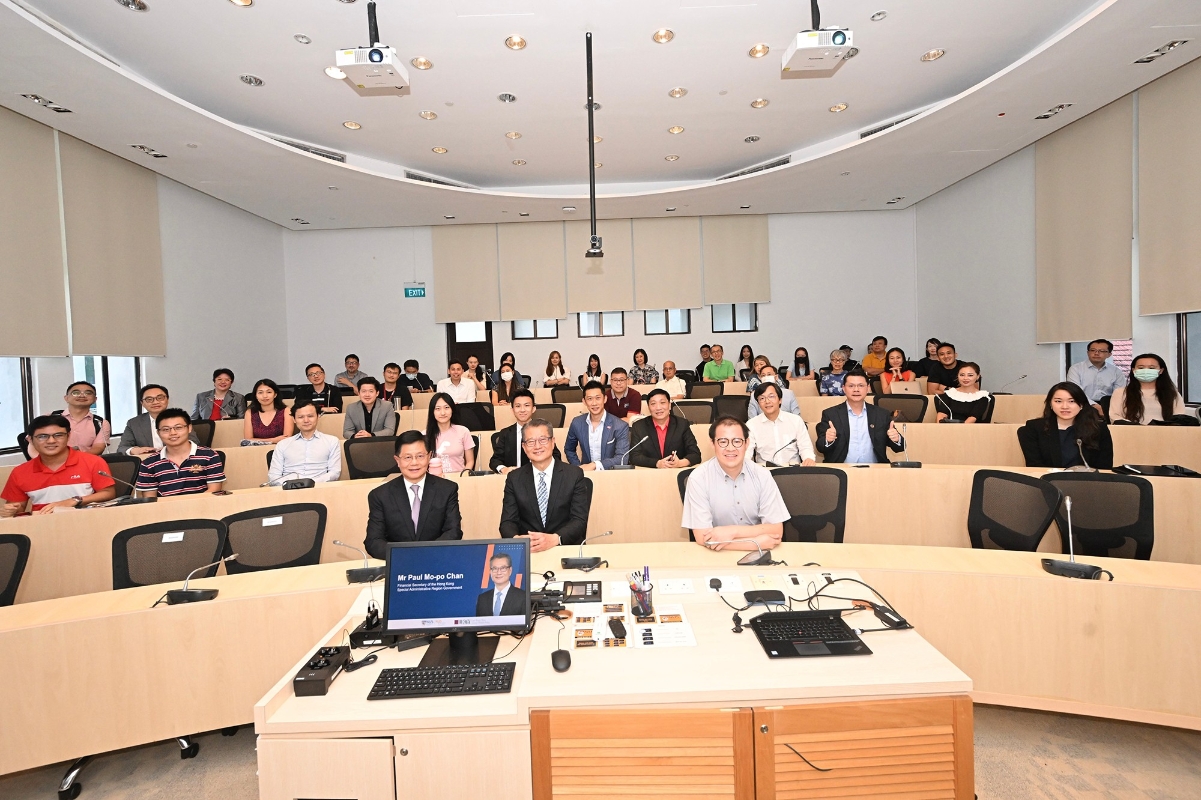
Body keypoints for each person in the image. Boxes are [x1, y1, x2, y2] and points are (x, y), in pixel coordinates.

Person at [681, 416, 791, 553]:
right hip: (716, 556)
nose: (730, 448)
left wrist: (731, 532)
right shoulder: (698, 478)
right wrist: (754, 544)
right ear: (712, 443)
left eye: (737, 441)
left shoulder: (762, 475)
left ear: (747, 443)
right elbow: (702, 537)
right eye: (723, 442)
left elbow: (776, 530)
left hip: (757, 557)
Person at [364, 430, 463, 558]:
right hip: (399, 563)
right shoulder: (380, 495)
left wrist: (426, 555)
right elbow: (373, 541)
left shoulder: (447, 489)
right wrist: (406, 556)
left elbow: (453, 531)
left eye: (420, 456)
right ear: (397, 460)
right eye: (408, 457)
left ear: (429, 456)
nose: (414, 463)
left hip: (436, 560)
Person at [499, 418, 593, 551]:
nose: (537, 446)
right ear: (524, 447)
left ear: (553, 442)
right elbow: (507, 522)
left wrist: (555, 539)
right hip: (530, 550)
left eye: (543, 440)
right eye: (531, 442)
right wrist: (517, 540)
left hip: (564, 548)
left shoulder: (574, 474)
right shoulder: (514, 478)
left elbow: (579, 520)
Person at [2, 415, 115, 516]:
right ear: (30, 439)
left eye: (58, 435)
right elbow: (18, 507)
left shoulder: (93, 462)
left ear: (68, 436)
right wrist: (11, 510)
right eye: (42, 436)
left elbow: (108, 493)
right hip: (41, 524)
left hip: (85, 520)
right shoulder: (20, 472)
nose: (51, 441)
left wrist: (74, 501)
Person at [815, 371, 905, 464]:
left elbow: (900, 447)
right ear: (844, 388)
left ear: (868, 388)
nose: (856, 390)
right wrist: (828, 440)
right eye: (851, 386)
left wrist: (896, 439)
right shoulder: (831, 414)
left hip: (874, 469)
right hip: (842, 469)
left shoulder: (881, 414)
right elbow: (820, 447)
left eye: (861, 386)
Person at [1017, 383, 1114, 469]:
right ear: (1050, 404)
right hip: (1048, 480)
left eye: (1071, 401)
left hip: (1087, 481)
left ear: (1081, 404)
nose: (1065, 406)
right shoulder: (1034, 428)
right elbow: (1035, 466)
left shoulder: (1098, 428)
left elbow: (1104, 467)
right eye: (1058, 401)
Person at [133, 409, 226, 497]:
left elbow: (214, 491)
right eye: (166, 429)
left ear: (189, 428)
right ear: (158, 433)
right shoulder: (148, 464)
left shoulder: (209, 456)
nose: (173, 433)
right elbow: (150, 499)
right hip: (165, 508)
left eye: (178, 428)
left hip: (202, 506)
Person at [269, 400, 342, 484]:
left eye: (310, 416)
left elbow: (334, 473)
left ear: (318, 416)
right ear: (294, 419)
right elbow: (273, 476)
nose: (306, 420)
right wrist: (292, 485)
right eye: (300, 417)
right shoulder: (282, 444)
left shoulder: (332, 441)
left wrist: (311, 483)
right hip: (288, 489)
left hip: (319, 487)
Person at [490, 388, 561, 473]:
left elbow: (556, 456)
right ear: (512, 410)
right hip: (515, 477)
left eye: (527, 405)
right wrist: (504, 469)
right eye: (518, 406)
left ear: (533, 409)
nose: (522, 410)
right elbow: (495, 460)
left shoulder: (542, 430)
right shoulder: (505, 433)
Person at [565, 381, 631, 470]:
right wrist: (579, 468)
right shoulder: (577, 423)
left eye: (598, 398)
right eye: (590, 399)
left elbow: (622, 458)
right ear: (584, 401)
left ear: (605, 399)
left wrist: (594, 465)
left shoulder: (620, 425)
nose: (594, 403)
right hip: (585, 475)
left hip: (610, 474)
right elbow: (569, 449)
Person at [746, 382, 816, 467]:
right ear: (758, 404)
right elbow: (747, 452)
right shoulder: (752, 425)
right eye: (762, 398)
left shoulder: (795, 420)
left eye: (771, 396)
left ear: (780, 400)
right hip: (765, 471)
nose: (767, 401)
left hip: (792, 470)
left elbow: (805, 447)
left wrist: (808, 458)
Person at [629, 389, 701, 469]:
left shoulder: (682, 424)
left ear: (669, 405)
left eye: (662, 403)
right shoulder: (639, 426)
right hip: (650, 473)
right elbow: (634, 457)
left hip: (676, 472)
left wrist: (679, 463)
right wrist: (657, 463)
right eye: (653, 404)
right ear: (648, 408)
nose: (658, 408)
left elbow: (695, 454)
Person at [1109, 353, 1190, 424]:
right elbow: (1114, 416)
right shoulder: (1120, 392)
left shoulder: (1172, 394)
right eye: (1141, 368)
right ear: (1133, 370)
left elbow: (1179, 417)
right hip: (1130, 432)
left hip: (1166, 433)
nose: (1146, 371)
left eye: (1152, 368)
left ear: (1161, 370)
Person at [119, 384, 197, 455]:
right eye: (149, 399)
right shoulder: (134, 423)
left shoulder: (179, 418)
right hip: (147, 461)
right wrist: (135, 450)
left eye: (160, 398)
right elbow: (122, 448)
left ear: (167, 400)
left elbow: (194, 441)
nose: (155, 402)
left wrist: (167, 449)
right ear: (142, 403)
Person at [1066, 339, 1128, 411]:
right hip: (1082, 405)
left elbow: (1120, 394)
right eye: (1093, 350)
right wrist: (1095, 406)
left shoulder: (1116, 371)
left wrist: (1110, 408)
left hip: (1109, 407)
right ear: (1088, 353)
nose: (1096, 353)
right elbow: (1075, 391)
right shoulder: (1076, 369)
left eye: (1101, 351)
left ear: (1109, 354)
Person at [425, 393, 475, 474]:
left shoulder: (463, 431)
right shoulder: (424, 435)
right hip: (434, 480)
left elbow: (470, 461)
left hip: (459, 478)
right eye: (438, 409)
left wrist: (464, 476)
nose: (443, 413)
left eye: (446, 407)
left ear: (452, 409)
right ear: (432, 412)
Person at [59, 381, 110, 455]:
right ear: (66, 398)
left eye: (88, 393)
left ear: (95, 399)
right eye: (76, 393)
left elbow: (98, 448)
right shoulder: (51, 417)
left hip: (85, 461)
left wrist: (75, 458)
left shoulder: (101, 423)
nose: (82, 396)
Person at [243, 379, 293, 445]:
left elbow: (286, 439)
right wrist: (274, 440)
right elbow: (248, 440)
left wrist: (259, 441)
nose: (265, 396)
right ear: (256, 395)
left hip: (280, 449)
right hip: (256, 450)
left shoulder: (286, 411)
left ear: (275, 394)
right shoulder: (250, 413)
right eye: (260, 392)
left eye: (269, 392)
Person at [475, 552, 526, 616]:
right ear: (490, 571)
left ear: (510, 570)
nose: (499, 572)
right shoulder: (482, 598)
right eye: (495, 568)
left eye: (503, 568)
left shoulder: (523, 596)